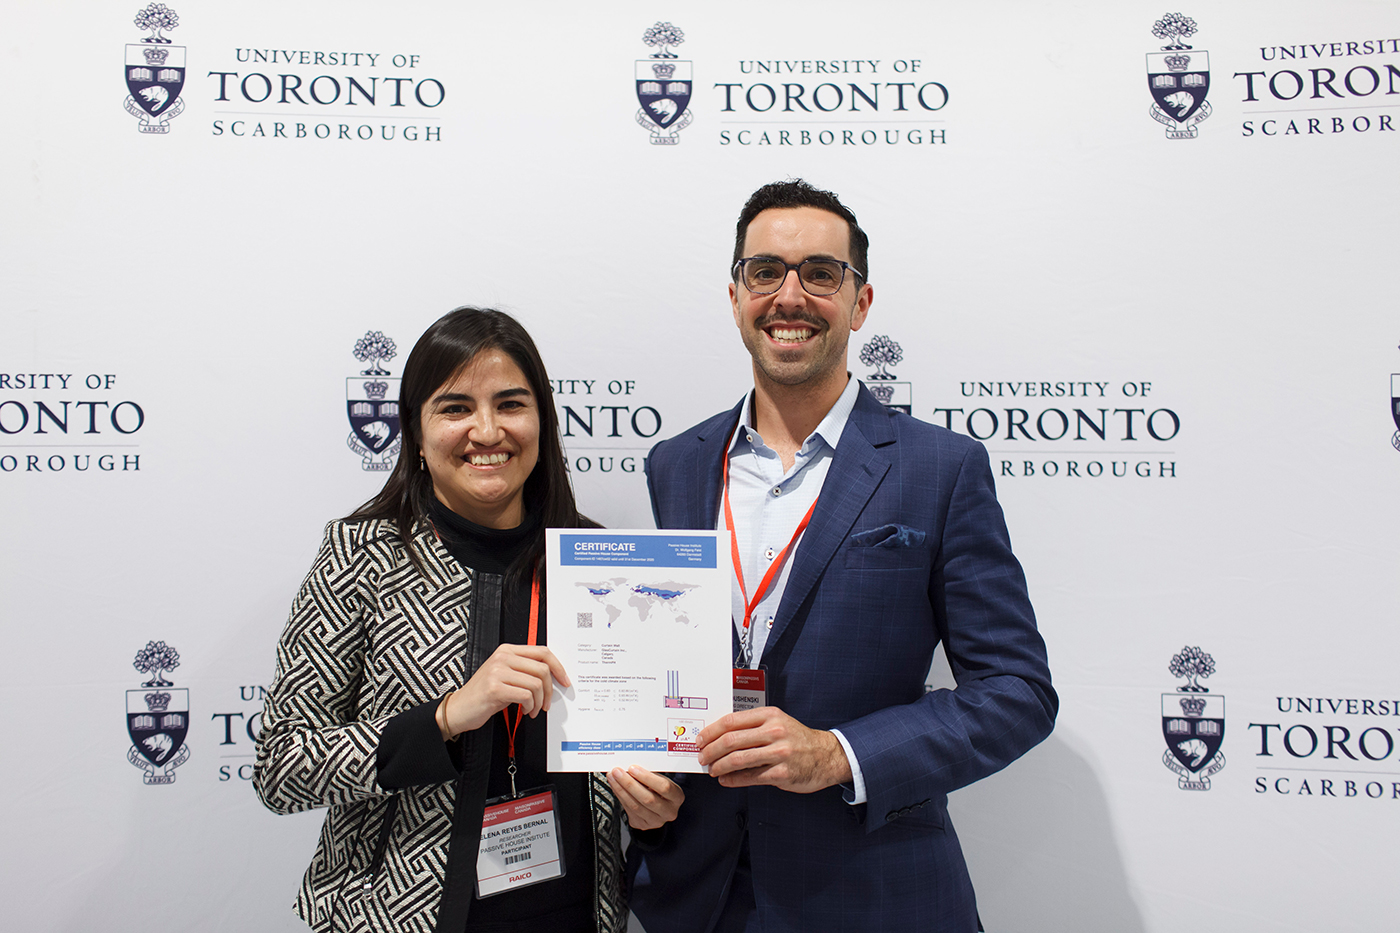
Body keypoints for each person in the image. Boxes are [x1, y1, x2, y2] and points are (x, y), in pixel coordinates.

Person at [626, 181, 1058, 933]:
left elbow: (1018, 690)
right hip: (700, 898)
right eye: (766, 272)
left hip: (874, 895)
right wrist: (638, 769)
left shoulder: (940, 467)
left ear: (859, 303)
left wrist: (838, 753)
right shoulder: (677, 463)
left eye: (820, 274)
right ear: (735, 296)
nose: (789, 295)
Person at [255, 307, 683, 933]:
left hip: (573, 914)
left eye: (510, 404)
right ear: (417, 433)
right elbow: (282, 769)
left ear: (542, 421)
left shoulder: (602, 563)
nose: (487, 431)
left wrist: (652, 805)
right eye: (455, 408)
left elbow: (641, 752)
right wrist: (447, 716)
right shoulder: (362, 557)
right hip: (400, 917)